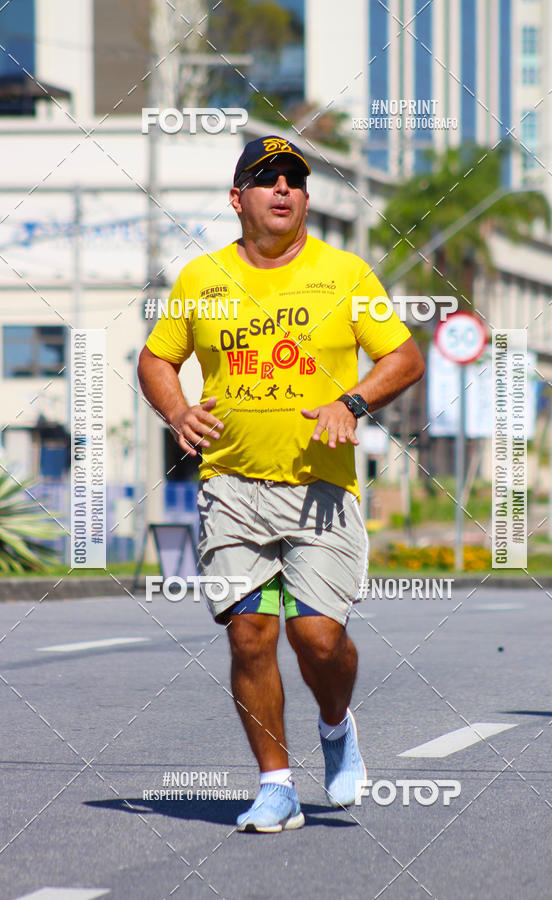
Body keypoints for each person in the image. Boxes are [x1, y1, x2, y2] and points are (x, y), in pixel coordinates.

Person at [138, 134, 424, 833]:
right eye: (267, 180)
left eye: (294, 179)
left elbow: (405, 356)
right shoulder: (200, 280)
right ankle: (275, 786)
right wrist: (176, 411)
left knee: (319, 638)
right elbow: (155, 359)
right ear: (238, 199)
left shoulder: (345, 273)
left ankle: (335, 724)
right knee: (250, 633)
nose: (284, 189)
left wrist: (351, 402)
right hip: (231, 484)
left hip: (320, 490)